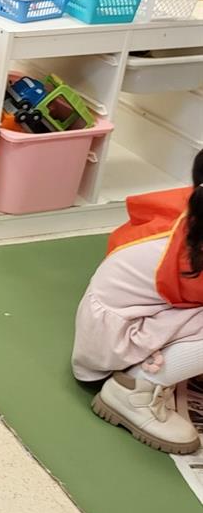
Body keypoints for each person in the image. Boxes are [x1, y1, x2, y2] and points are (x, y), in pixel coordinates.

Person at [73, 151, 203, 455]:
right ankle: (134, 389)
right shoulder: (189, 250)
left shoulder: (192, 210)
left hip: (131, 309)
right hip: (115, 336)